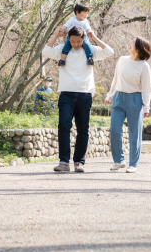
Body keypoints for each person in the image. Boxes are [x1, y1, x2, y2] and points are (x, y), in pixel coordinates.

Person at [42, 25, 113, 172]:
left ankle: (79, 162)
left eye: (79, 42)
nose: (75, 44)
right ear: (68, 39)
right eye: (73, 41)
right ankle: (63, 162)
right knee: (64, 125)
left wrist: (94, 38)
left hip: (85, 94)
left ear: (83, 39)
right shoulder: (63, 49)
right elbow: (46, 51)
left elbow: (109, 51)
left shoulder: (90, 50)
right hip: (66, 94)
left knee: (83, 129)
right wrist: (55, 35)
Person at [104, 37, 151, 173]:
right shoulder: (122, 60)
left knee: (134, 134)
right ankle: (119, 161)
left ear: (139, 48)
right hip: (119, 98)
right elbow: (116, 79)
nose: (129, 44)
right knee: (114, 130)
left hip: (135, 99)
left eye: (133, 43)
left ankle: (133, 164)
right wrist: (110, 95)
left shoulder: (144, 66)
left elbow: (147, 88)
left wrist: (146, 106)